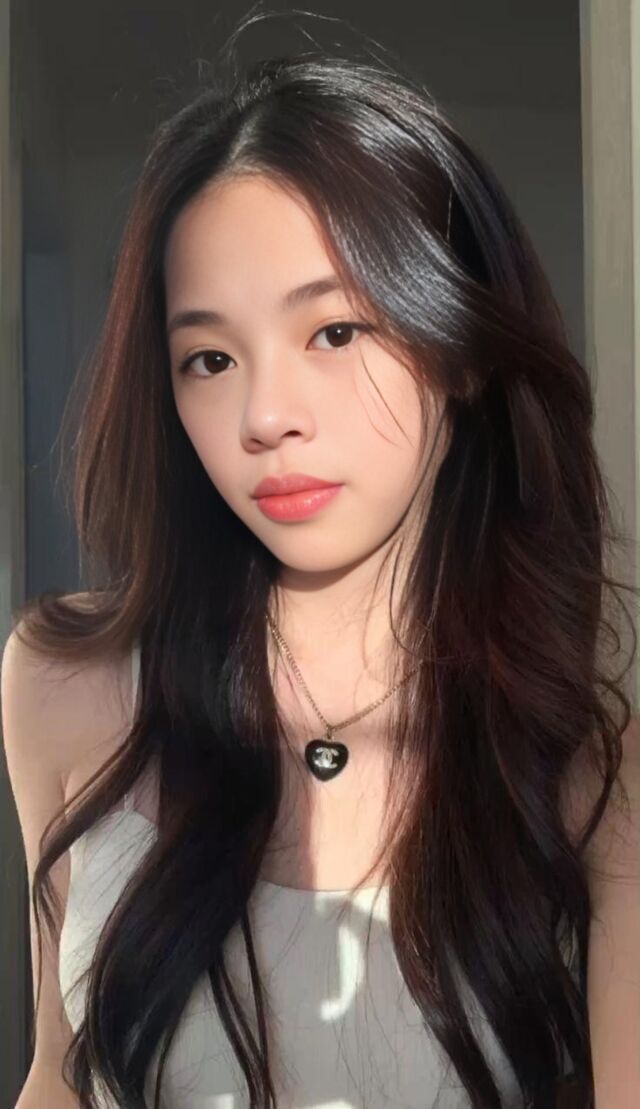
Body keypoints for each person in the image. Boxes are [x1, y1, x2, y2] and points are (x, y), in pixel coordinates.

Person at [2, 12, 639, 1109]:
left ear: (462, 349)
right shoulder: (67, 684)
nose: (264, 415)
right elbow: (59, 1076)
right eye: (209, 358)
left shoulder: (586, 775)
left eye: (335, 332)